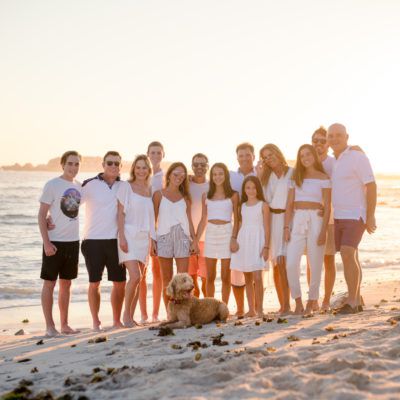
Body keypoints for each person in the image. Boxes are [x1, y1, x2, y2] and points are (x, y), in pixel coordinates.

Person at [327, 123, 376, 314]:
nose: (335, 138)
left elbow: (371, 185)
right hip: (339, 215)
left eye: (339, 135)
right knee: (351, 255)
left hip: (355, 214)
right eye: (331, 135)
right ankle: (357, 298)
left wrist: (370, 215)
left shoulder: (357, 157)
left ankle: (353, 301)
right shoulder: (335, 161)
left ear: (347, 136)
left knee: (347, 253)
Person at [38, 151, 82, 337]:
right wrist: (46, 243)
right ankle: (50, 326)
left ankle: (64, 325)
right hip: (54, 242)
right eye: (70, 164)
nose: (73, 167)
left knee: (66, 285)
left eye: (77, 164)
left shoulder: (80, 187)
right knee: (49, 283)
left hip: (73, 242)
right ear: (62, 165)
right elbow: (41, 215)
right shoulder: (52, 185)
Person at [81, 151, 126, 331]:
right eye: (110, 163)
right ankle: (95, 322)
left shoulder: (124, 186)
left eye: (117, 163)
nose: (113, 166)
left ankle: (116, 320)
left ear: (121, 166)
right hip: (92, 241)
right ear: (103, 165)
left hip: (115, 241)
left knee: (120, 282)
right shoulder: (89, 185)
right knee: (94, 283)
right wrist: (50, 218)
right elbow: (71, 204)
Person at [284, 144, 331, 315]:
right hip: (297, 219)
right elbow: (289, 205)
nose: (305, 158)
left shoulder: (323, 177)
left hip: (316, 220)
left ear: (314, 156)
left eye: (308, 154)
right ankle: (297, 301)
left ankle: (311, 302)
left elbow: (327, 206)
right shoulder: (296, 177)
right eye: (302, 155)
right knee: (291, 263)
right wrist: (286, 227)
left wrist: (323, 230)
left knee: (315, 262)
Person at [153, 162, 199, 314]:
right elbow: (153, 220)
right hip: (164, 237)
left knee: (183, 280)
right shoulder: (158, 194)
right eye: (175, 174)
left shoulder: (185, 197)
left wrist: (195, 241)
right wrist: (152, 241)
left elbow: (189, 221)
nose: (178, 177)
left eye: (182, 175)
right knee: (167, 280)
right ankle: (170, 314)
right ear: (169, 175)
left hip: (182, 237)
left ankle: (183, 313)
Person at [117, 155, 156, 327]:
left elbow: (151, 217)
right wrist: (122, 237)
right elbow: (120, 213)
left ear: (149, 170)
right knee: (135, 276)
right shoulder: (126, 186)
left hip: (143, 238)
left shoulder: (150, 189)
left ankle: (130, 318)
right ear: (133, 169)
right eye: (138, 167)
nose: (141, 171)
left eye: (144, 168)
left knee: (139, 279)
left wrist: (152, 240)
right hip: (129, 235)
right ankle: (126, 316)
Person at [197, 163, 239, 307]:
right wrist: (196, 240)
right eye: (214, 174)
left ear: (225, 175)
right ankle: (211, 308)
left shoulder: (233, 195)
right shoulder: (206, 195)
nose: (217, 177)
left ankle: (224, 308)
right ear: (211, 176)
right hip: (211, 234)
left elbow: (238, 219)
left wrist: (234, 238)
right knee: (210, 276)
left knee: (226, 276)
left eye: (220, 173)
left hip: (227, 232)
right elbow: (203, 219)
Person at [258, 144, 292, 314]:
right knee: (276, 265)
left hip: (288, 219)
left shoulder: (292, 172)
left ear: (278, 153)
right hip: (272, 220)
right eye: (265, 157)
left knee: (285, 262)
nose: (269, 159)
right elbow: (262, 201)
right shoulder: (265, 176)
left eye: (271, 155)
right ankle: (283, 305)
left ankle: (289, 303)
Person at [230, 176, 270, 317]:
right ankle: (251, 310)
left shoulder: (263, 205)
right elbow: (239, 225)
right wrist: (233, 240)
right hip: (244, 241)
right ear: (244, 190)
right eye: (248, 187)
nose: (251, 190)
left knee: (258, 276)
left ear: (258, 188)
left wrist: (266, 246)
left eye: (253, 187)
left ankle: (260, 309)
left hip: (258, 240)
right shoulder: (242, 206)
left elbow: (266, 227)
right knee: (247, 277)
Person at [309, 126, 336, 311]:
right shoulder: (307, 163)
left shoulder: (335, 163)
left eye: (322, 141)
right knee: (312, 260)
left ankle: (326, 300)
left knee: (328, 259)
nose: (319, 144)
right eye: (315, 141)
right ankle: (313, 299)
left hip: (331, 218)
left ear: (328, 143)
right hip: (310, 218)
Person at [229, 143, 257, 317]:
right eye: (241, 155)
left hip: (256, 226)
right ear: (237, 157)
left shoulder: (260, 174)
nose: (245, 158)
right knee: (237, 269)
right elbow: (213, 183)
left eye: (248, 155)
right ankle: (240, 308)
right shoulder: (231, 177)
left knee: (254, 267)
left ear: (253, 156)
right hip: (236, 225)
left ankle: (253, 308)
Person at [146, 141, 165, 322]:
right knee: (141, 273)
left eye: (159, 153)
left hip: (159, 228)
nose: (156, 156)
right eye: (153, 152)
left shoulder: (165, 176)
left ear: (163, 155)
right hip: (142, 228)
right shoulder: (142, 174)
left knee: (157, 271)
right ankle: (144, 313)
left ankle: (155, 312)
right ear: (148, 154)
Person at [188, 153, 209, 297]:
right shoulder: (186, 184)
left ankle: (208, 306)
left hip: (208, 237)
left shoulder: (212, 185)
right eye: (196, 164)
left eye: (202, 164)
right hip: (188, 237)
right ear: (192, 166)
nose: (199, 167)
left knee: (206, 277)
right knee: (191, 277)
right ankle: (196, 306)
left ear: (208, 166)